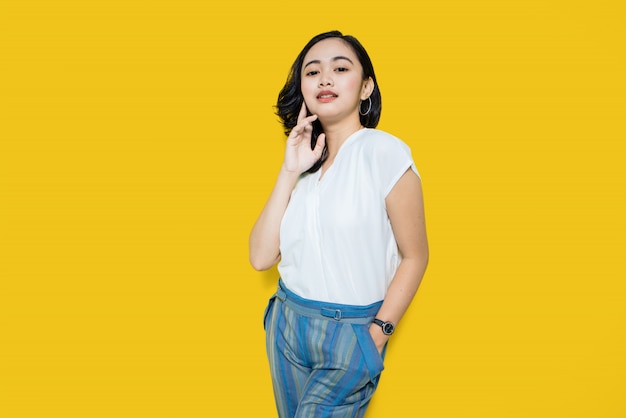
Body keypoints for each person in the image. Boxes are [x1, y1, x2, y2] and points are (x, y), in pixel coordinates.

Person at [249, 30, 428, 417]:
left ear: (366, 87)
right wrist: (289, 168)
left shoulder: (385, 152)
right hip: (287, 323)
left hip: (350, 334)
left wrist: (378, 335)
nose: (325, 79)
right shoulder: (303, 166)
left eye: (340, 68)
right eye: (312, 72)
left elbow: (415, 256)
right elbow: (261, 257)